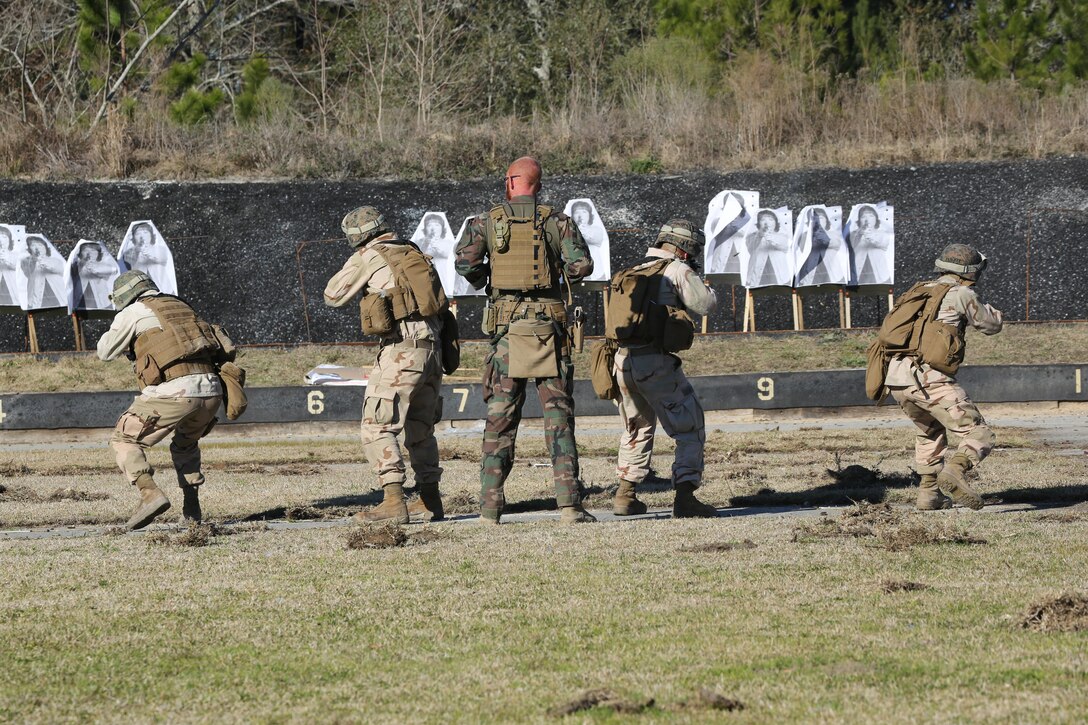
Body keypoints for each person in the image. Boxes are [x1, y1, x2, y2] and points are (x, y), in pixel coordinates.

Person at [454, 156, 595, 524]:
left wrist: (492, 276)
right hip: (550, 331)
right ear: (538, 184)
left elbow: (465, 264)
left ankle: (489, 510)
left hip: (505, 333)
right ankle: (569, 506)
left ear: (509, 181)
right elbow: (581, 266)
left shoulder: (484, 222)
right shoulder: (558, 221)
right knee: (559, 420)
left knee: (499, 420)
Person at [324, 206, 447, 523]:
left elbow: (333, 294)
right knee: (420, 430)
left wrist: (362, 264)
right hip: (431, 352)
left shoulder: (371, 254)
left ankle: (393, 502)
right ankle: (430, 500)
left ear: (356, 237)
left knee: (377, 425)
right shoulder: (413, 251)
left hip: (401, 352)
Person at [97, 271, 227, 530]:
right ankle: (192, 509)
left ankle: (149, 494)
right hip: (212, 389)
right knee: (185, 445)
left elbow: (105, 350)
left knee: (124, 439)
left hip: (176, 390)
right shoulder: (181, 305)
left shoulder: (133, 312)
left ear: (125, 296)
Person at [607, 219, 719, 518]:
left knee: (636, 428)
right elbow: (705, 304)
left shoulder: (631, 270)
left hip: (623, 361)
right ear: (684, 250)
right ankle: (685, 496)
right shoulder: (677, 269)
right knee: (689, 427)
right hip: (656, 363)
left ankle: (625, 495)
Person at [884, 244, 1003, 510]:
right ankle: (955, 472)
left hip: (897, 378)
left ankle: (929, 495)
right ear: (970, 272)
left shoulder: (918, 291)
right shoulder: (961, 293)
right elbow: (990, 326)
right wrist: (996, 315)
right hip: (929, 378)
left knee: (930, 432)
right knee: (979, 432)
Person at [848, 204, 892, 285]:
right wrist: (860, 234)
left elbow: (883, 244)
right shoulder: (853, 234)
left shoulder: (882, 233)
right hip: (859, 272)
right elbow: (851, 246)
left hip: (880, 273)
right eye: (863, 216)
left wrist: (871, 237)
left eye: (871, 216)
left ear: (876, 219)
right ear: (859, 220)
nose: (867, 219)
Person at [745, 209, 790, 287]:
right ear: (758, 223)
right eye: (763, 220)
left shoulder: (782, 236)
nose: (767, 223)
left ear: (776, 222)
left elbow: (785, 248)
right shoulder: (752, 236)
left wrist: (772, 239)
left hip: (778, 270)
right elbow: (750, 249)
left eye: (771, 219)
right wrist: (760, 235)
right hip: (757, 269)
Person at [569, 200, 609, 282]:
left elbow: (595, 239)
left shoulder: (597, 230)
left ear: (590, 215)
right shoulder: (568, 230)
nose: (580, 215)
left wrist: (583, 230)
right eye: (577, 212)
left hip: (596, 268)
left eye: (584, 212)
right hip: (575, 267)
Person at [21, 235, 64, 309]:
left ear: (46, 248)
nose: (37, 248)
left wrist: (46, 264)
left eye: (40, 245)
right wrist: (35, 260)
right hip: (35, 299)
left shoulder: (56, 261)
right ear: (29, 249)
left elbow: (62, 271)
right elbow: (26, 272)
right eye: (33, 245)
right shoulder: (27, 262)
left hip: (57, 296)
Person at [72, 243, 116, 310]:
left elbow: (112, 270)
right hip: (81, 300)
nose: (89, 255)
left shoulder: (104, 266)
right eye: (86, 251)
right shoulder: (79, 266)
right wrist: (82, 263)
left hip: (102, 301)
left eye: (92, 251)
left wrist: (93, 267)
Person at [0, 226, 18, 307]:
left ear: (9, 240)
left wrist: (7, 261)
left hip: (13, 291)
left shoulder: (15, 256)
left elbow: (23, 269)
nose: (1, 240)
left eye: (4, 237)